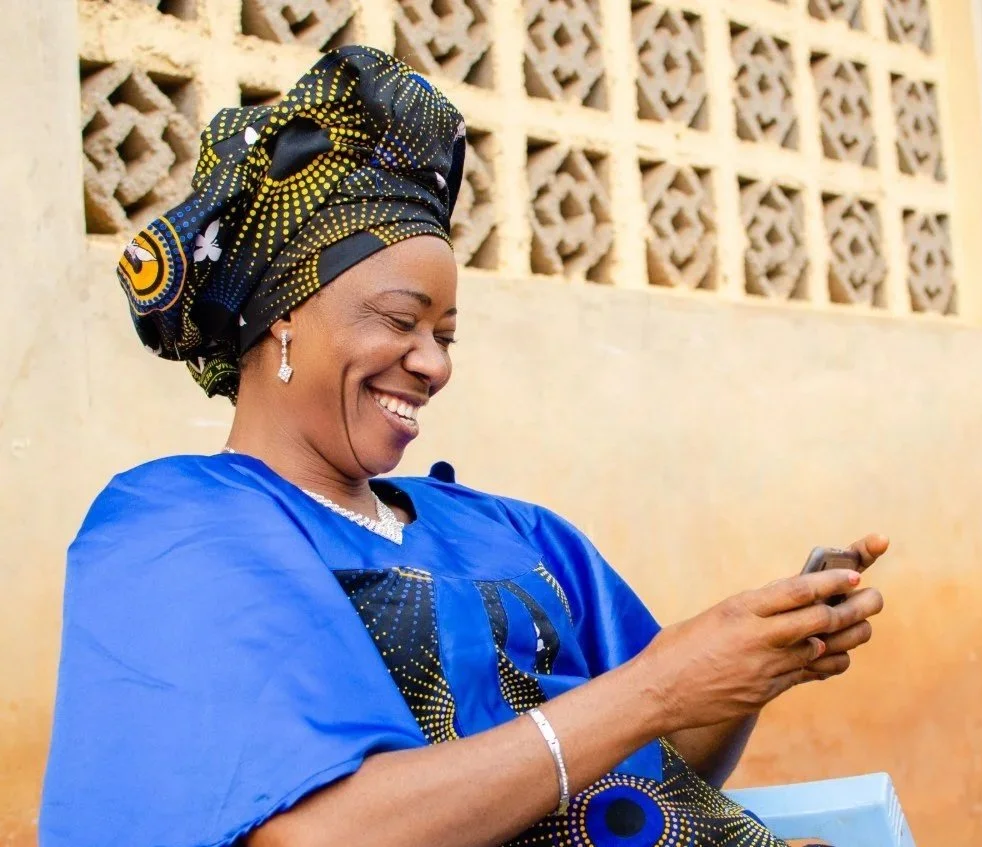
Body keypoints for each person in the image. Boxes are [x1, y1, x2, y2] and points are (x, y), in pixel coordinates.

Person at [40, 46, 887, 847]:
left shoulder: (518, 534)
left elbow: (642, 773)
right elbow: (322, 832)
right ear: (282, 317)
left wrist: (747, 662)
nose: (433, 363)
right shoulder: (176, 529)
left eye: (446, 333)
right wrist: (659, 684)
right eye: (400, 320)